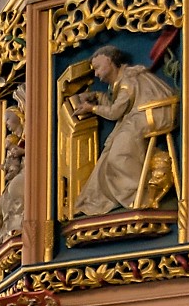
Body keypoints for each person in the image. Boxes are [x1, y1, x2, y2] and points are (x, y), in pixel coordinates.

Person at [66, 45, 178, 215]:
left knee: (118, 155)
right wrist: (97, 97)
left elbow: (115, 112)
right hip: (143, 114)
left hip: (151, 114)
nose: (96, 74)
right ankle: (101, 197)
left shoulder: (127, 81)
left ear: (110, 62)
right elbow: (119, 106)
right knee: (109, 152)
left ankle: (139, 194)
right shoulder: (124, 79)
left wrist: (92, 109)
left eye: (97, 68)